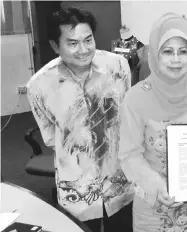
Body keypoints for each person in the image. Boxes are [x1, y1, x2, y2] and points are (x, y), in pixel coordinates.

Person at [26, 6, 133, 232]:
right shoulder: (39, 86)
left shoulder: (118, 66)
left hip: (119, 178)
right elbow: (50, 137)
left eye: (88, 40)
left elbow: (127, 113)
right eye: (72, 43)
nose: (83, 50)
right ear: (56, 46)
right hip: (77, 185)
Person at [118, 13, 187, 231]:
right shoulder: (136, 98)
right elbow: (129, 154)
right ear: (155, 54)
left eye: (183, 51)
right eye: (167, 51)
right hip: (156, 208)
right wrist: (154, 184)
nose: (176, 59)